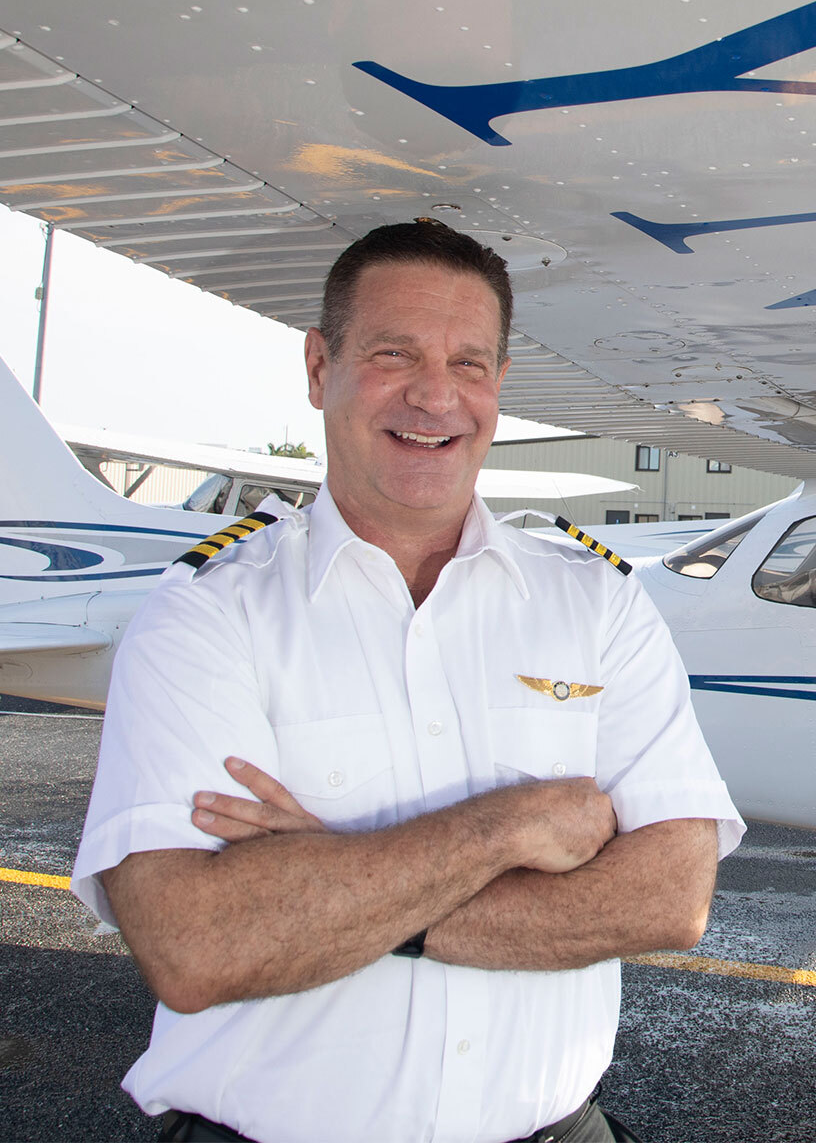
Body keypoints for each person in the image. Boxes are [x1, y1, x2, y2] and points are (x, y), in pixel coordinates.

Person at [71, 220, 744, 1143]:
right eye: (394, 354)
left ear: (499, 384)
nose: (436, 398)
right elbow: (198, 944)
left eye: (469, 364)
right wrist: (504, 827)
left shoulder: (596, 605)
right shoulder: (207, 614)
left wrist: (335, 880)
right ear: (319, 369)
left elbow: (669, 896)